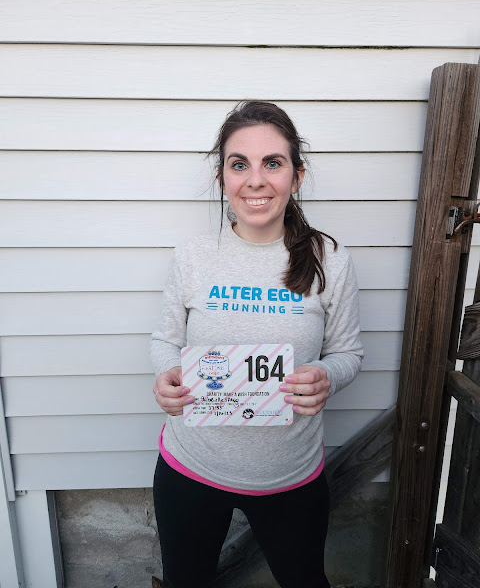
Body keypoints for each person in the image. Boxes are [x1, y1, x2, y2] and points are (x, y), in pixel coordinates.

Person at [150, 100, 363, 588]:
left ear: (297, 176)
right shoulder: (194, 255)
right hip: (191, 467)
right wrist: (167, 375)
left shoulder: (331, 259)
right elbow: (166, 340)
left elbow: (348, 353)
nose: (256, 180)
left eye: (273, 162)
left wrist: (327, 376)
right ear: (222, 177)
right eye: (239, 164)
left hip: (289, 474)